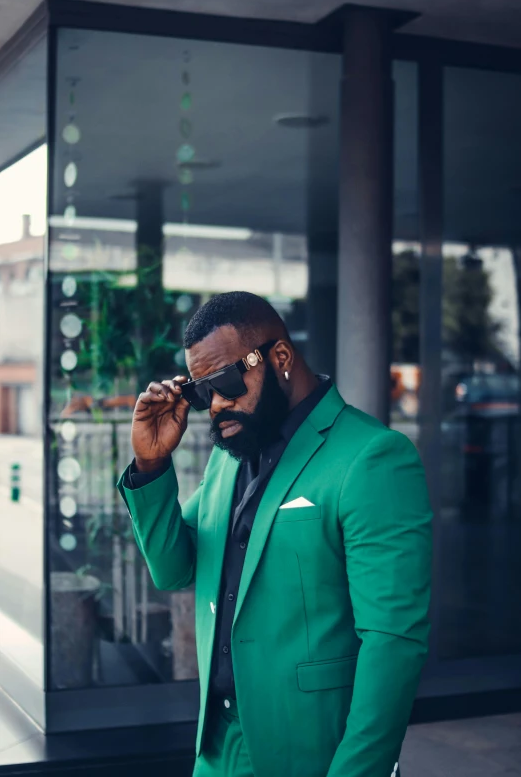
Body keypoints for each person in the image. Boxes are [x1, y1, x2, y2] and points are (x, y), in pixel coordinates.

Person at [118, 291, 432, 777]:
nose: (217, 404)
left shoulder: (372, 457)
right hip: (217, 749)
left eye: (224, 382)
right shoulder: (229, 456)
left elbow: (393, 642)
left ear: (279, 357)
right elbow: (173, 568)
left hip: (308, 752)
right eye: (202, 393)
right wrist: (151, 463)